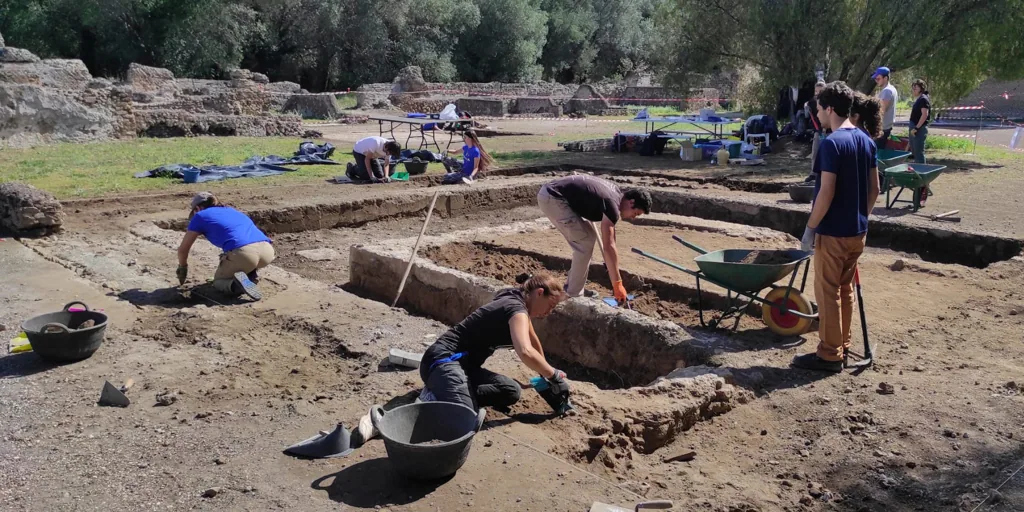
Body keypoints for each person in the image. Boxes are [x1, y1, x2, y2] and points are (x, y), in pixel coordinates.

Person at [793, 81, 880, 373]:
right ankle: (841, 345)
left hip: (833, 233)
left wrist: (810, 227)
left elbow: (826, 192)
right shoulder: (866, 140)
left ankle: (829, 355)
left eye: (818, 109)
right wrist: (861, 217)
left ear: (830, 108)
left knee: (827, 292)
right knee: (844, 290)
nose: (817, 114)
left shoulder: (831, 144)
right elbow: (875, 188)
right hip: (857, 233)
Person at [418, 272, 569, 412]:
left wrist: (545, 373)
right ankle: (436, 396)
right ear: (539, 293)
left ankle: (448, 391)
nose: (549, 312)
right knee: (465, 416)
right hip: (442, 361)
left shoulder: (518, 298)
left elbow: (532, 339)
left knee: (511, 391)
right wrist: (553, 375)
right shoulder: (516, 308)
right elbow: (525, 351)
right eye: (550, 306)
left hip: (465, 367)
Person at [536, 175, 651, 302]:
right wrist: (617, 284)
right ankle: (573, 294)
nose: (633, 218)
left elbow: (611, 240)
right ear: (631, 202)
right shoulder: (612, 205)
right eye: (635, 213)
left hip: (553, 193)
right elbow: (609, 246)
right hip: (553, 198)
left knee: (588, 237)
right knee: (584, 243)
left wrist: (610, 263)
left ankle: (575, 287)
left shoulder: (616, 195)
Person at [176, 192, 274, 300]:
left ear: (198, 208)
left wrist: (182, 267)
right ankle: (250, 277)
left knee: (218, 282)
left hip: (245, 254)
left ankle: (237, 285)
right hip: (267, 251)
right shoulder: (231, 211)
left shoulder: (200, 216)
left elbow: (183, 250)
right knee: (241, 260)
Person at [872, 66, 898, 149]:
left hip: (882, 128)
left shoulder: (887, 91)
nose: (876, 81)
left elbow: (881, 110)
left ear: (886, 78)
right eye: (875, 79)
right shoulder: (892, 89)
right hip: (886, 127)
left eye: (878, 79)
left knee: (876, 153)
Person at [909, 79, 931, 164]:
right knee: (915, 152)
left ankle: (921, 172)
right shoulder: (919, 99)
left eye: (915, 88)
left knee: (919, 153)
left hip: (919, 129)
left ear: (921, 89)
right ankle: (917, 171)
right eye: (913, 88)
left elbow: (924, 114)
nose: (913, 90)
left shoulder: (923, 99)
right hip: (915, 128)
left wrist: (916, 128)